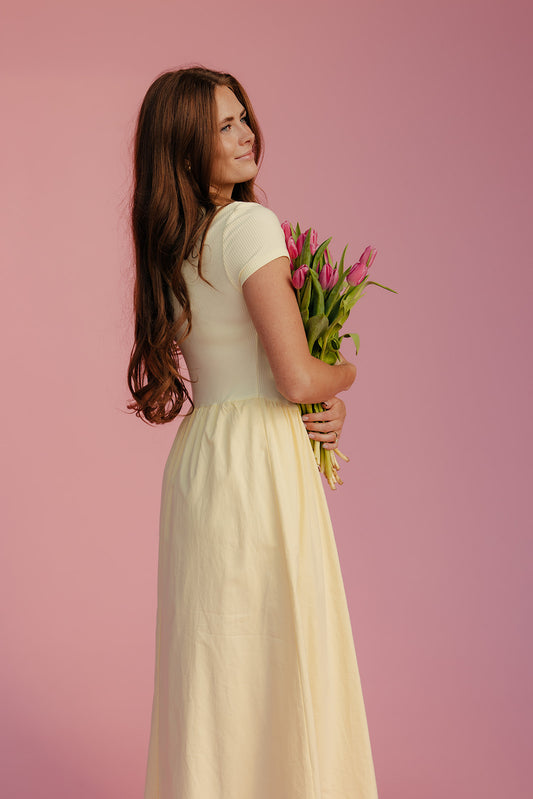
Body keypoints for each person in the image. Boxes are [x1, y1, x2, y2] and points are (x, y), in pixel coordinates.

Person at [127, 65, 379, 799]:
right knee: (282, 656)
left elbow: (247, 368)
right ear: (182, 150)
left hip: (204, 456)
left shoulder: (173, 244)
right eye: (221, 127)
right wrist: (346, 378)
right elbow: (297, 378)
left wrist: (305, 394)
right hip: (260, 460)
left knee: (214, 665)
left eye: (242, 117)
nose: (243, 135)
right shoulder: (250, 225)